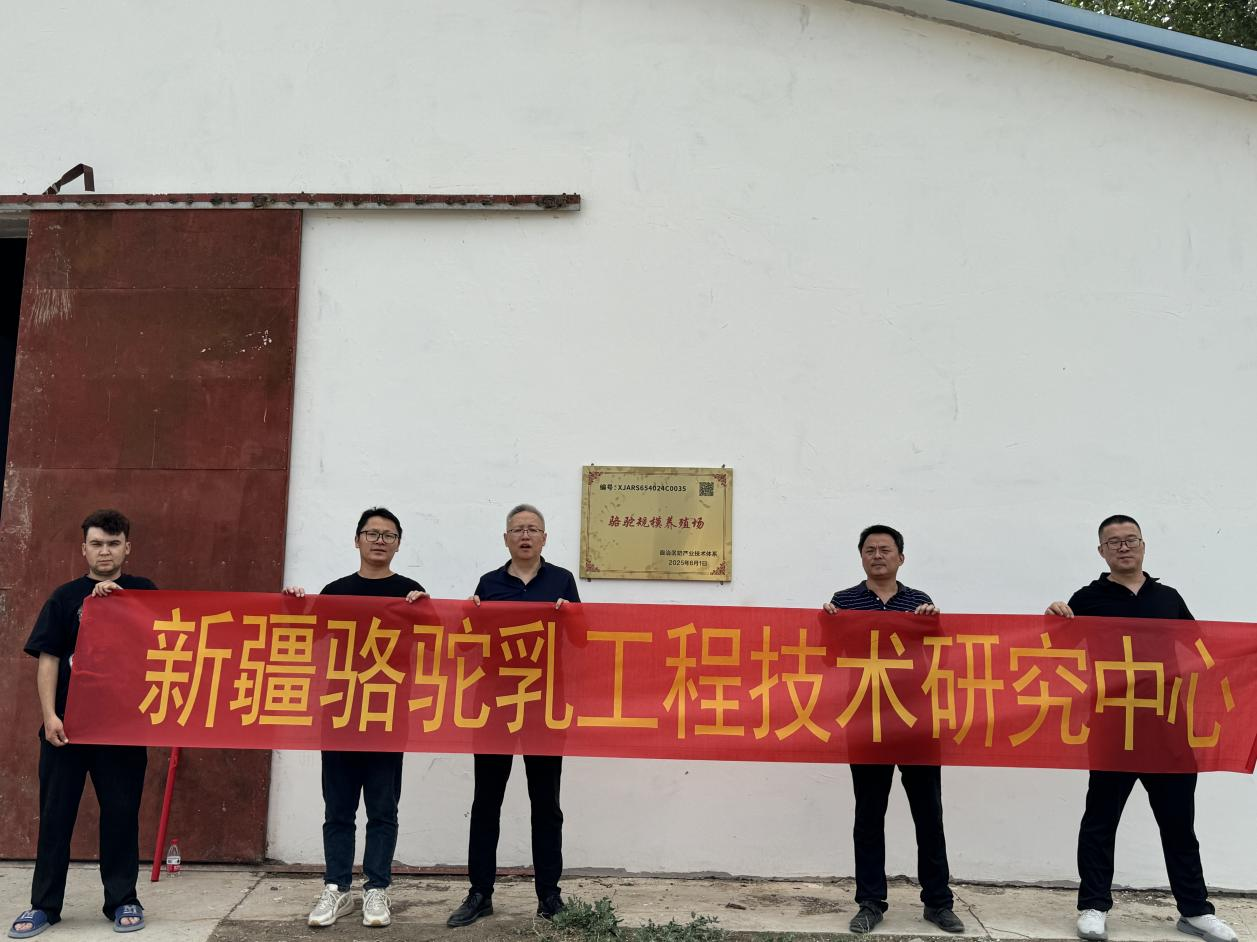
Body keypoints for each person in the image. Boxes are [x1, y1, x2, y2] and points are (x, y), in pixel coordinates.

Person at [1046, 515, 1237, 942]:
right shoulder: (1087, 599)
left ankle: (1195, 910)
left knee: (1178, 824)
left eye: (1130, 539)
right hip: (1113, 725)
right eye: (1113, 542)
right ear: (1101, 551)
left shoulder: (1168, 598)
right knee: (1100, 820)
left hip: (1167, 726)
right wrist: (1054, 618)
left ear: (1143, 545)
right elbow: (1055, 649)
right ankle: (1093, 905)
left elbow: (1203, 647)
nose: (1123, 547)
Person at [10, 510, 156, 939]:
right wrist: (49, 716)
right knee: (55, 818)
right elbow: (49, 659)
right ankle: (44, 906)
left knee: (121, 816)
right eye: (96, 544)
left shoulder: (145, 593)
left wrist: (122, 605)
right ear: (84, 549)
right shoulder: (64, 598)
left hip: (122, 728)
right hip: (67, 729)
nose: (104, 552)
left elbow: (167, 644)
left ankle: (123, 899)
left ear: (127, 547)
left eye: (113, 544)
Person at [284, 508, 427, 930]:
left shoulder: (410, 592)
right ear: (357, 540)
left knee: (383, 809)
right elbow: (307, 634)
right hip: (341, 712)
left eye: (388, 535)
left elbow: (437, 640)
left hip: (388, 714)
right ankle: (336, 888)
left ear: (398, 543)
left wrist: (425, 610)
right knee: (339, 809)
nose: (379, 541)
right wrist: (294, 604)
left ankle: (377, 889)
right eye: (372, 533)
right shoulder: (336, 591)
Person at [822, 524, 962, 936]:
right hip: (866, 719)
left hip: (917, 719)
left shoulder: (919, 602)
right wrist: (828, 624)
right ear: (861, 557)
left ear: (901, 557)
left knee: (929, 814)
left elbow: (940, 656)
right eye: (870, 549)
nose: (878, 555)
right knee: (868, 814)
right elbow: (829, 658)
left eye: (885, 549)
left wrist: (932, 624)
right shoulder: (844, 601)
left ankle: (938, 902)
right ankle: (870, 902)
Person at [447, 504, 580, 927]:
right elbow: (467, 644)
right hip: (495, 706)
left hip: (543, 706)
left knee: (546, 804)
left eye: (533, 529)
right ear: (505, 538)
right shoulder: (489, 584)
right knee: (487, 802)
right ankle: (479, 893)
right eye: (518, 529)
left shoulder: (562, 580)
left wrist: (571, 614)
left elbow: (582, 640)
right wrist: (468, 615)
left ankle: (549, 896)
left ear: (544, 538)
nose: (525, 535)